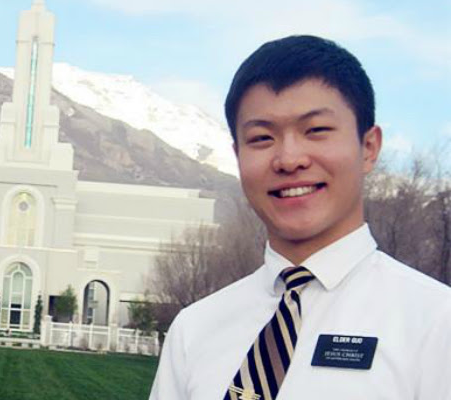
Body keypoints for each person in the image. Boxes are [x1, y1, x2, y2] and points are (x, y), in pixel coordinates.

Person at [149, 35, 451, 400]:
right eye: (262, 138)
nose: (289, 159)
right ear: (238, 154)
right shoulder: (194, 329)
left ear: (369, 147)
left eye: (316, 131)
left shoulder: (435, 323)